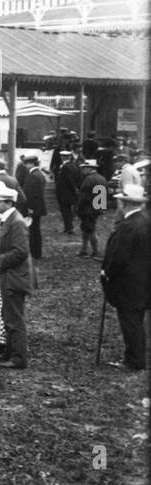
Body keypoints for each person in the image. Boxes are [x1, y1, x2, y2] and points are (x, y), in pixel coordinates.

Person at [100, 184, 148, 371]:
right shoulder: (144, 220)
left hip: (129, 282)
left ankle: (134, 361)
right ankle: (136, 357)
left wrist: (107, 272)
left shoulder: (128, 226)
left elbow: (119, 256)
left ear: (124, 203)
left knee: (130, 322)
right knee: (136, 320)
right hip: (142, 279)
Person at [0, 180, 31, 369]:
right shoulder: (9, 219)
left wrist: (1, 260)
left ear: (9, 203)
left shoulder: (16, 222)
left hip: (14, 277)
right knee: (8, 315)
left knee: (14, 318)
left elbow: (21, 251)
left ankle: (19, 358)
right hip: (9, 275)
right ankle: (8, 353)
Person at [77, 159, 107, 258]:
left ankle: (95, 251)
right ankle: (84, 249)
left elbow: (84, 197)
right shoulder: (102, 178)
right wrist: (101, 208)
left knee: (90, 230)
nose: (83, 170)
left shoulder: (88, 179)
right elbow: (104, 196)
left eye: (84, 168)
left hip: (88, 209)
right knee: (87, 229)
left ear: (90, 168)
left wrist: (79, 209)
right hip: (97, 208)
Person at [20, 154, 47, 260]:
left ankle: (34, 252)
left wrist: (30, 208)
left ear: (31, 164)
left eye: (27, 164)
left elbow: (32, 194)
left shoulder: (33, 175)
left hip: (33, 208)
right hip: (37, 207)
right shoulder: (39, 174)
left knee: (33, 231)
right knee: (35, 230)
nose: (26, 166)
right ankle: (36, 252)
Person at [54, 150, 81, 234]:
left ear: (62, 157)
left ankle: (68, 228)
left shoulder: (65, 167)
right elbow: (78, 177)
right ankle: (69, 228)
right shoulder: (75, 165)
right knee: (68, 211)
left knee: (65, 212)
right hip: (70, 192)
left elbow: (68, 180)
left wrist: (73, 189)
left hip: (64, 193)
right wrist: (76, 188)